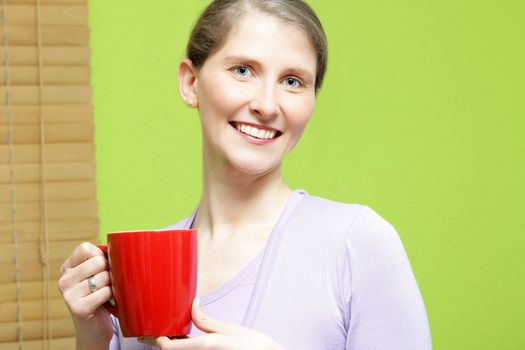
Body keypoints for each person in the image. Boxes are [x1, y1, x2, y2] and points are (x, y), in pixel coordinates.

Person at [58, 0, 432, 349]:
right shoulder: (140, 266)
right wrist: (92, 338)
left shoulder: (357, 243)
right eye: (243, 70)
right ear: (191, 83)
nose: (266, 105)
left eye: (292, 81)